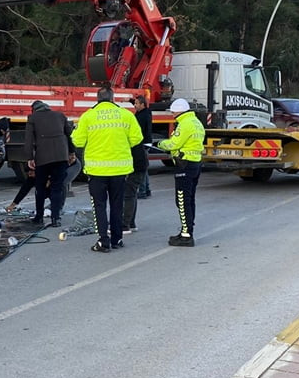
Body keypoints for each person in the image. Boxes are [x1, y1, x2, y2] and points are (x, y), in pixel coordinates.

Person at [71, 86, 142, 253]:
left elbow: (78, 142)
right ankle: (117, 239)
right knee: (117, 205)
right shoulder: (126, 115)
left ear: (97, 99)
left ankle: (103, 241)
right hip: (120, 170)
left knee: (99, 206)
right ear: (112, 98)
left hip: (97, 171)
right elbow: (137, 138)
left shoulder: (88, 116)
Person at [9, 99, 74, 225]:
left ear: (34, 110)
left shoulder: (33, 118)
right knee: (57, 188)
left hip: (43, 159)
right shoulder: (60, 115)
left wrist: (29, 158)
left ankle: (39, 216)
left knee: (40, 188)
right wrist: (71, 152)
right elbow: (68, 135)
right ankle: (56, 218)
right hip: (61, 157)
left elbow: (28, 141)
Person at [156, 98, 205, 247]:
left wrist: (159, 143)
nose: (171, 113)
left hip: (184, 165)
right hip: (195, 163)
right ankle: (187, 231)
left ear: (179, 110)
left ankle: (186, 235)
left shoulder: (185, 124)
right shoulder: (197, 123)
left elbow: (174, 143)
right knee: (189, 199)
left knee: (182, 201)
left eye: (173, 110)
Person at [123, 94, 153, 232]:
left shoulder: (142, 116)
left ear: (142, 105)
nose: (134, 105)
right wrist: (129, 100)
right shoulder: (144, 112)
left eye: (136, 104)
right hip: (143, 146)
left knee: (140, 173)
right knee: (143, 169)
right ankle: (144, 189)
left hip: (142, 144)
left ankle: (144, 189)